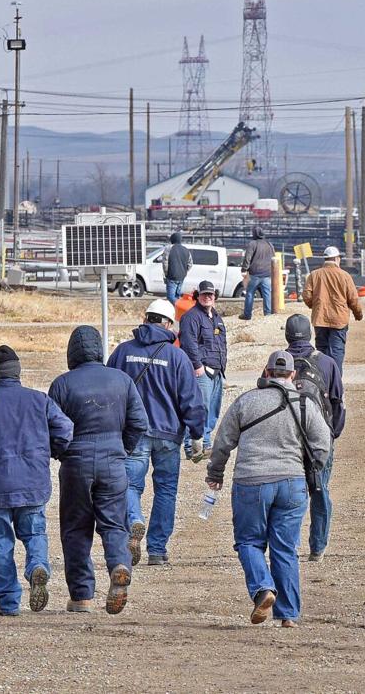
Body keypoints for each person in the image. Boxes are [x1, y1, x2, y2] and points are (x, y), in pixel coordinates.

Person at [207, 351, 331, 628]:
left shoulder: (246, 401)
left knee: (249, 542)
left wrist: (215, 473)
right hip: (292, 482)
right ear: (292, 375)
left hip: (251, 482)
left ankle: (263, 589)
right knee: (285, 548)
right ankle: (288, 615)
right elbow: (323, 443)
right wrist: (312, 468)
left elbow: (223, 442)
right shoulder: (304, 404)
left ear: (266, 373)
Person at [0, 346, 74, 616]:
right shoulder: (40, 401)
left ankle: (8, 602)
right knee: (34, 533)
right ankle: (36, 567)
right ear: (18, 371)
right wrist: (52, 452)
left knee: (0, 542)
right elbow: (65, 429)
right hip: (33, 483)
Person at [48, 326, 149, 614]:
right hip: (113, 462)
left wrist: (61, 452)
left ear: (72, 352)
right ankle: (119, 564)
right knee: (115, 524)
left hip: (76, 464)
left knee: (75, 529)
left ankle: (81, 596)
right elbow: (138, 423)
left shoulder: (62, 384)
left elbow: (53, 427)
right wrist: (122, 449)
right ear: (99, 349)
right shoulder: (122, 380)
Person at [107, 299, 206, 567]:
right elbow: (191, 399)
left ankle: (134, 519)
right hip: (168, 435)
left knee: (129, 486)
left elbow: (109, 390)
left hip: (133, 434)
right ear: (168, 324)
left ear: (146, 318)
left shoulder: (122, 352)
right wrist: (197, 434)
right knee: (165, 491)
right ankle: (158, 550)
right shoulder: (177, 356)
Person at [283, 313, 345, 562]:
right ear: (310, 334)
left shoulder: (278, 360)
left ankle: (288, 544)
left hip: (287, 437)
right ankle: (317, 547)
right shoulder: (328, 363)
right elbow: (338, 403)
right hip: (320, 438)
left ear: (287, 335)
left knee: (288, 492)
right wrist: (332, 433)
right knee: (320, 489)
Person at [178, 279, 227, 460]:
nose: (208, 297)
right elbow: (189, 343)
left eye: (211, 294)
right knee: (199, 408)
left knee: (213, 409)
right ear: (198, 296)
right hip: (202, 371)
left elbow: (222, 343)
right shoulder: (191, 317)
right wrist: (197, 366)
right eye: (204, 294)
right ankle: (191, 445)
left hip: (217, 371)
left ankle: (206, 444)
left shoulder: (216, 317)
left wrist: (223, 368)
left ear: (215, 297)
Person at [302, 246, 363, 374]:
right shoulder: (345, 276)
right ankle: (335, 385)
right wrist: (358, 314)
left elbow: (306, 296)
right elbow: (353, 299)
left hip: (320, 319)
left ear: (325, 259)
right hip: (339, 321)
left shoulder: (314, 275)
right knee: (337, 352)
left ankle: (323, 383)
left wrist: (316, 306)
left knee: (321, 352)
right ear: (336, 259)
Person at [240, 226, 276, 320]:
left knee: (250, 293)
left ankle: (247, 315)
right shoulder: (269, 244)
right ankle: (268, 314)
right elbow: (274, 258)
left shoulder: (253, 244)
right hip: (267, 274)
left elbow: (247, 258)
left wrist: (244, 269)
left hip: (254, 274)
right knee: (267, 294)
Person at [162, 232, 193, 304]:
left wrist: (167, 274)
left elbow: (165, 263)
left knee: (170, 297)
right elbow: (190, 264)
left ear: (172, 239)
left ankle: (181, 306)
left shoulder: (168, 248)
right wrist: (184, 272)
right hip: (181, 277)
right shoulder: (186, 250)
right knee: (177, 296)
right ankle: (177, 313)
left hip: (171, 276)